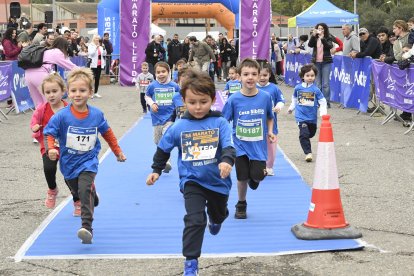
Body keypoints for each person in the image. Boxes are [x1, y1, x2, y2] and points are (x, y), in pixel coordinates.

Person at [146, 70, 235, 276]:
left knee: (219, 213)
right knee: (195, 220)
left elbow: (229, 147)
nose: (197, 107)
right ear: (184, 101)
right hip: (192, 181)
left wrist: (226, 161)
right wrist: (156, 170)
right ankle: (191, 262)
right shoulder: (179, 126)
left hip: (218, 181)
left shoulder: (220, 123)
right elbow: (163, 149)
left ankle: (217, 218)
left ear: (212, 100)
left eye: (203, 102)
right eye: (192, 102)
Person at [43, 68, 127, 244]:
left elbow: (108, 134)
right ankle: (92, 195)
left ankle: (86, 228)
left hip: (88, 161)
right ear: (68, 92)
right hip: (68, 163)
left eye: (82, 91)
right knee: (78, 190)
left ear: (90, 92)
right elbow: (49, 133)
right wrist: (51, 148)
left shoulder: (96, 115)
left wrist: (117, 151)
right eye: (73, 91)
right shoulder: (62, 116)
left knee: (84, 188)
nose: (77, 94)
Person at [222, 58, 276, 219]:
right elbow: (224, 121)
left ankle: (256, 178)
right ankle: (241, 203)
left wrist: (270, 131)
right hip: (240, 146)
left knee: (257, 176)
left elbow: (269, 116)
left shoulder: (265, 97)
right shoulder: (234, 99)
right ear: (239, 77)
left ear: (259, 76)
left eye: (254, 74)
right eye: (246, 74)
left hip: (258, 146)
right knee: (241, 177)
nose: (250, 77)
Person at [30, 74, 70, 209]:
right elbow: (34, 121)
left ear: (63, 91)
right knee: (49, 167)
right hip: (49, 142)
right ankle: (52, 190)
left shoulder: (69, 108)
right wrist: (35, 127)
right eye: (47, 92)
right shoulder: (42, 109)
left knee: (69, 173)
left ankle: (77, 198)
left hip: (66, 143)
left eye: (54, 91)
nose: (51, 95)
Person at [144, 62, 180, 173]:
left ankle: (167, 161)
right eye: (158, 72)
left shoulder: (174, 86)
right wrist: (152, 104)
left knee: (165, 138)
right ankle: (163, 158)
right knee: (157, 141)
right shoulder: (152, 86)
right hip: (156, 118)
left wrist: (180, 108)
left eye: (163, 72)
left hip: (169, 118)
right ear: (155, 74)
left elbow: (180, 97)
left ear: (168, 72)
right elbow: (147, 96)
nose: (161, 74)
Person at [287, 64, 327, 162]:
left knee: (311, 133)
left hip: (312, 118)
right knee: (304, 134)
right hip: (301, 116)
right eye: (307, 75)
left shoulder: (316, 90)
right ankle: (308, 153)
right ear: (302, 77)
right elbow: (294, 98)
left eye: (312, 76)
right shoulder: (298, 88)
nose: (310, 78)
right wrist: (291, 108)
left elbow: (322, 101)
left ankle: (305, 139)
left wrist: (323, 113)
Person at [25, 37, 78, 107]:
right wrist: (85, 71)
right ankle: (51, 117)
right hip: (40, 74)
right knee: (49, 101)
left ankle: (39, 117)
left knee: (38, 104)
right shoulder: (57, 52)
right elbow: (72, 67)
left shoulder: (46, 50)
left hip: (28, 74)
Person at [256, 63, 285, 176]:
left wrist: (278, 107)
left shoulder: (274, 88)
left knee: (271, 147)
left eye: (265, 75)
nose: (262, 78)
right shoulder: (252, 88)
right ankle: (258, 166)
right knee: (257, 146)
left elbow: (281, 100)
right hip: (256, 124)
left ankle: (269, 166)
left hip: (271, 125)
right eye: (259, 75)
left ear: (269, 75)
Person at [308, 23, 334, 108]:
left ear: (325, 29)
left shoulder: (328, 37)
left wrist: (323, 38)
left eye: (322, 28)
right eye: (319, 28)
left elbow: (329, 46)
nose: (320, 30)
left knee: (326, 84)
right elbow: (310, 45)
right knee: (318, 84)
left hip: (326, 62)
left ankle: (326, 102)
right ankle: (319, 102)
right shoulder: (315, 37)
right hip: (316, 62)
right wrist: (313, 35)